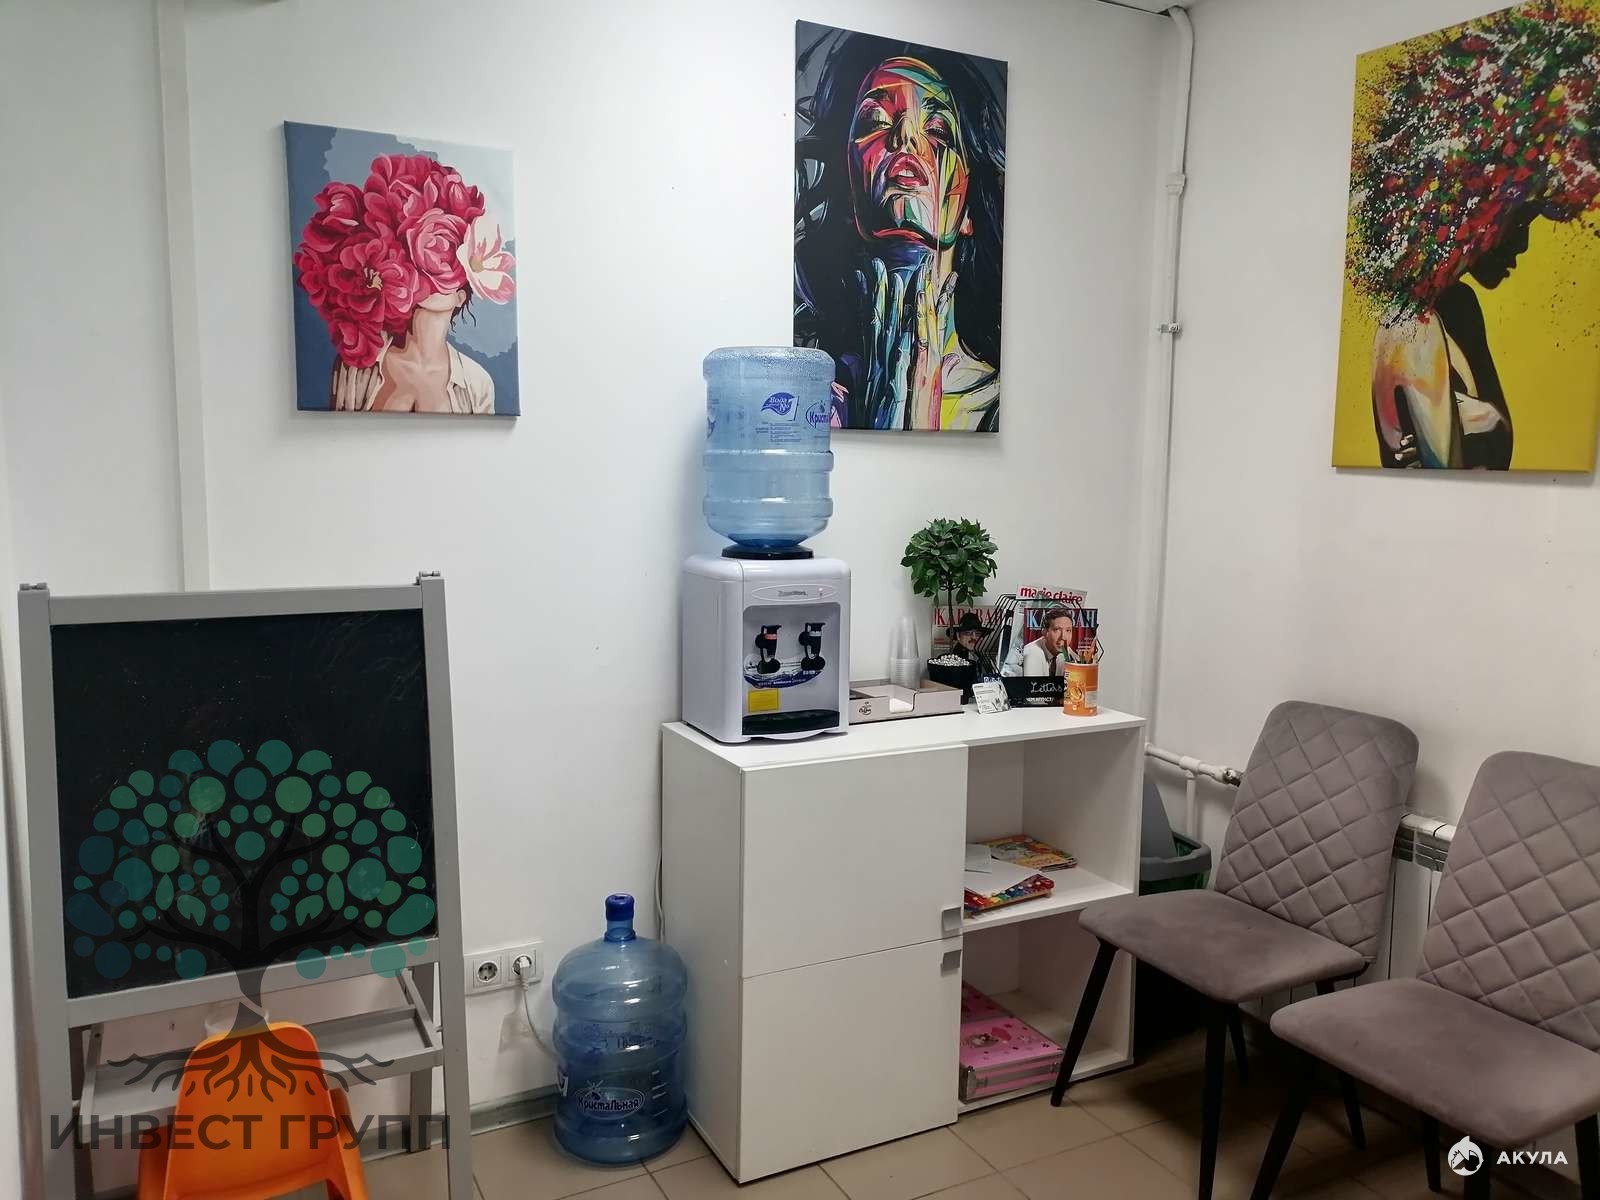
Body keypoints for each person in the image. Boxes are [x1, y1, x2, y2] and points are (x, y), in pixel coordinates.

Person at [1349, 2, 1600, 469]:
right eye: (1520, 223)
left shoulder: (1460, 309)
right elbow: (1440, 478)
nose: (1523, 245)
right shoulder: (1411, 326)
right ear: (1477, 211)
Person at [795, 31, 1005, 432]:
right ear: (849, 188)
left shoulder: (995, 407)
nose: (905, 137)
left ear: (968, 212)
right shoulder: (815, 400)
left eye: (939, 130)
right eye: (875, 121)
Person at [331, 288, 495, 414]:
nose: (430, 274)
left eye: (443, 266)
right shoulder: (355, 363)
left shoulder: (478, 382)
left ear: (460, 297)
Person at [1021, 611, 1071, 678]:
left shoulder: (1066, 650)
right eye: (1056, 630)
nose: (1063, 637)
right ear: (1044, 632)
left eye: (1068, 630)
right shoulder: (1032, 653)